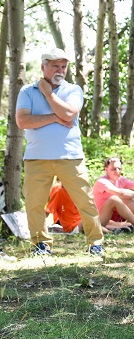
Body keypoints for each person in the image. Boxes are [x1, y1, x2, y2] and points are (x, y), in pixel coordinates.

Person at [15, 49, 104, 256]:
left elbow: (69, 114)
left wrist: (47, 93)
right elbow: (23, 121)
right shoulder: (27, 91)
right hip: (36, 158)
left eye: (63, 66)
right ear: (43, 67)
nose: (60, 70)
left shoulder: (73, 90)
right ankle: (41, 245)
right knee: (34, 204)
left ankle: (95, 243)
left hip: (70, 157)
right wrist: (55, 117)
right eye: (55, 65)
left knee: (85, 201)